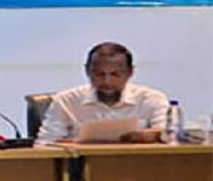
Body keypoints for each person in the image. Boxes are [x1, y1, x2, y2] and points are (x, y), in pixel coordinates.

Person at [36, 42, 169, 144]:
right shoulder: (66, 100)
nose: (107, 81)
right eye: (99, 74)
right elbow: (45, 143)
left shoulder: (152, 99)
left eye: (115, 74)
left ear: (130, 72)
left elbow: (169, 137)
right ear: (87, 71)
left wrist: (151, 135)